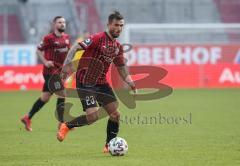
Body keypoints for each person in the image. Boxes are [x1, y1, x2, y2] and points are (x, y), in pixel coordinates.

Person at [57, 11, 136, 153]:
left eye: (121, 26)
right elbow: (75, 48)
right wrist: (66, 68)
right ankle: (67, 125)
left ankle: (108, 145)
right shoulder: (98, 38)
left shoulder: (118, 46)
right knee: (92, 116)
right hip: (85, 81)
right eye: (116, 25)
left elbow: (121, 67)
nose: (119, 28)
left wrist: (129, 80)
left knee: (115, 115)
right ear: (108, 24)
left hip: (101, 83)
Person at [21, 16, 71, 131]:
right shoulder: (48, 38)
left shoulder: (67, 38)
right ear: (54, 24)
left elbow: (68, 53)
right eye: (60, 22)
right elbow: (38, 50)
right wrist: (45, 61)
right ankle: (62, 122)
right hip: (50, 71)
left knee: (45, 98)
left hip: (59, 71)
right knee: (62, 93)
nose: (62, 24)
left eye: (64, 22)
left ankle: (27, 117)